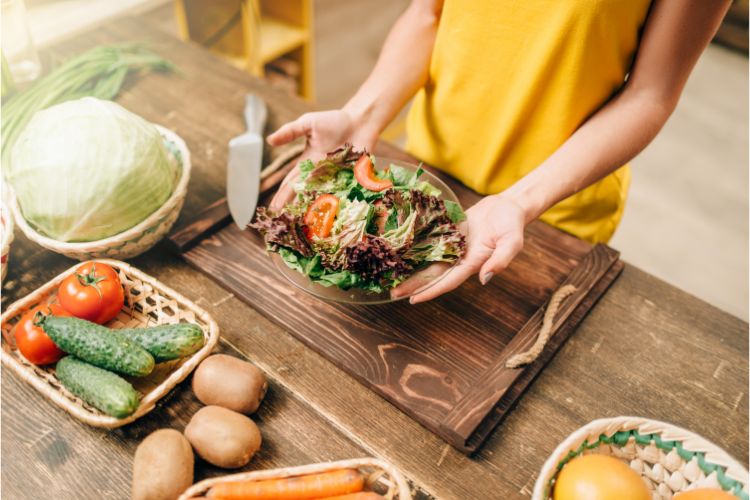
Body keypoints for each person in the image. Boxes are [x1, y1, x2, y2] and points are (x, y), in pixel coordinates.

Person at [267, 0, 731, 303]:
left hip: (551, 213)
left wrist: (519, 201)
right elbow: (429, 15)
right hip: (428, 178)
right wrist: (361, 118)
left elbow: (650, 94)